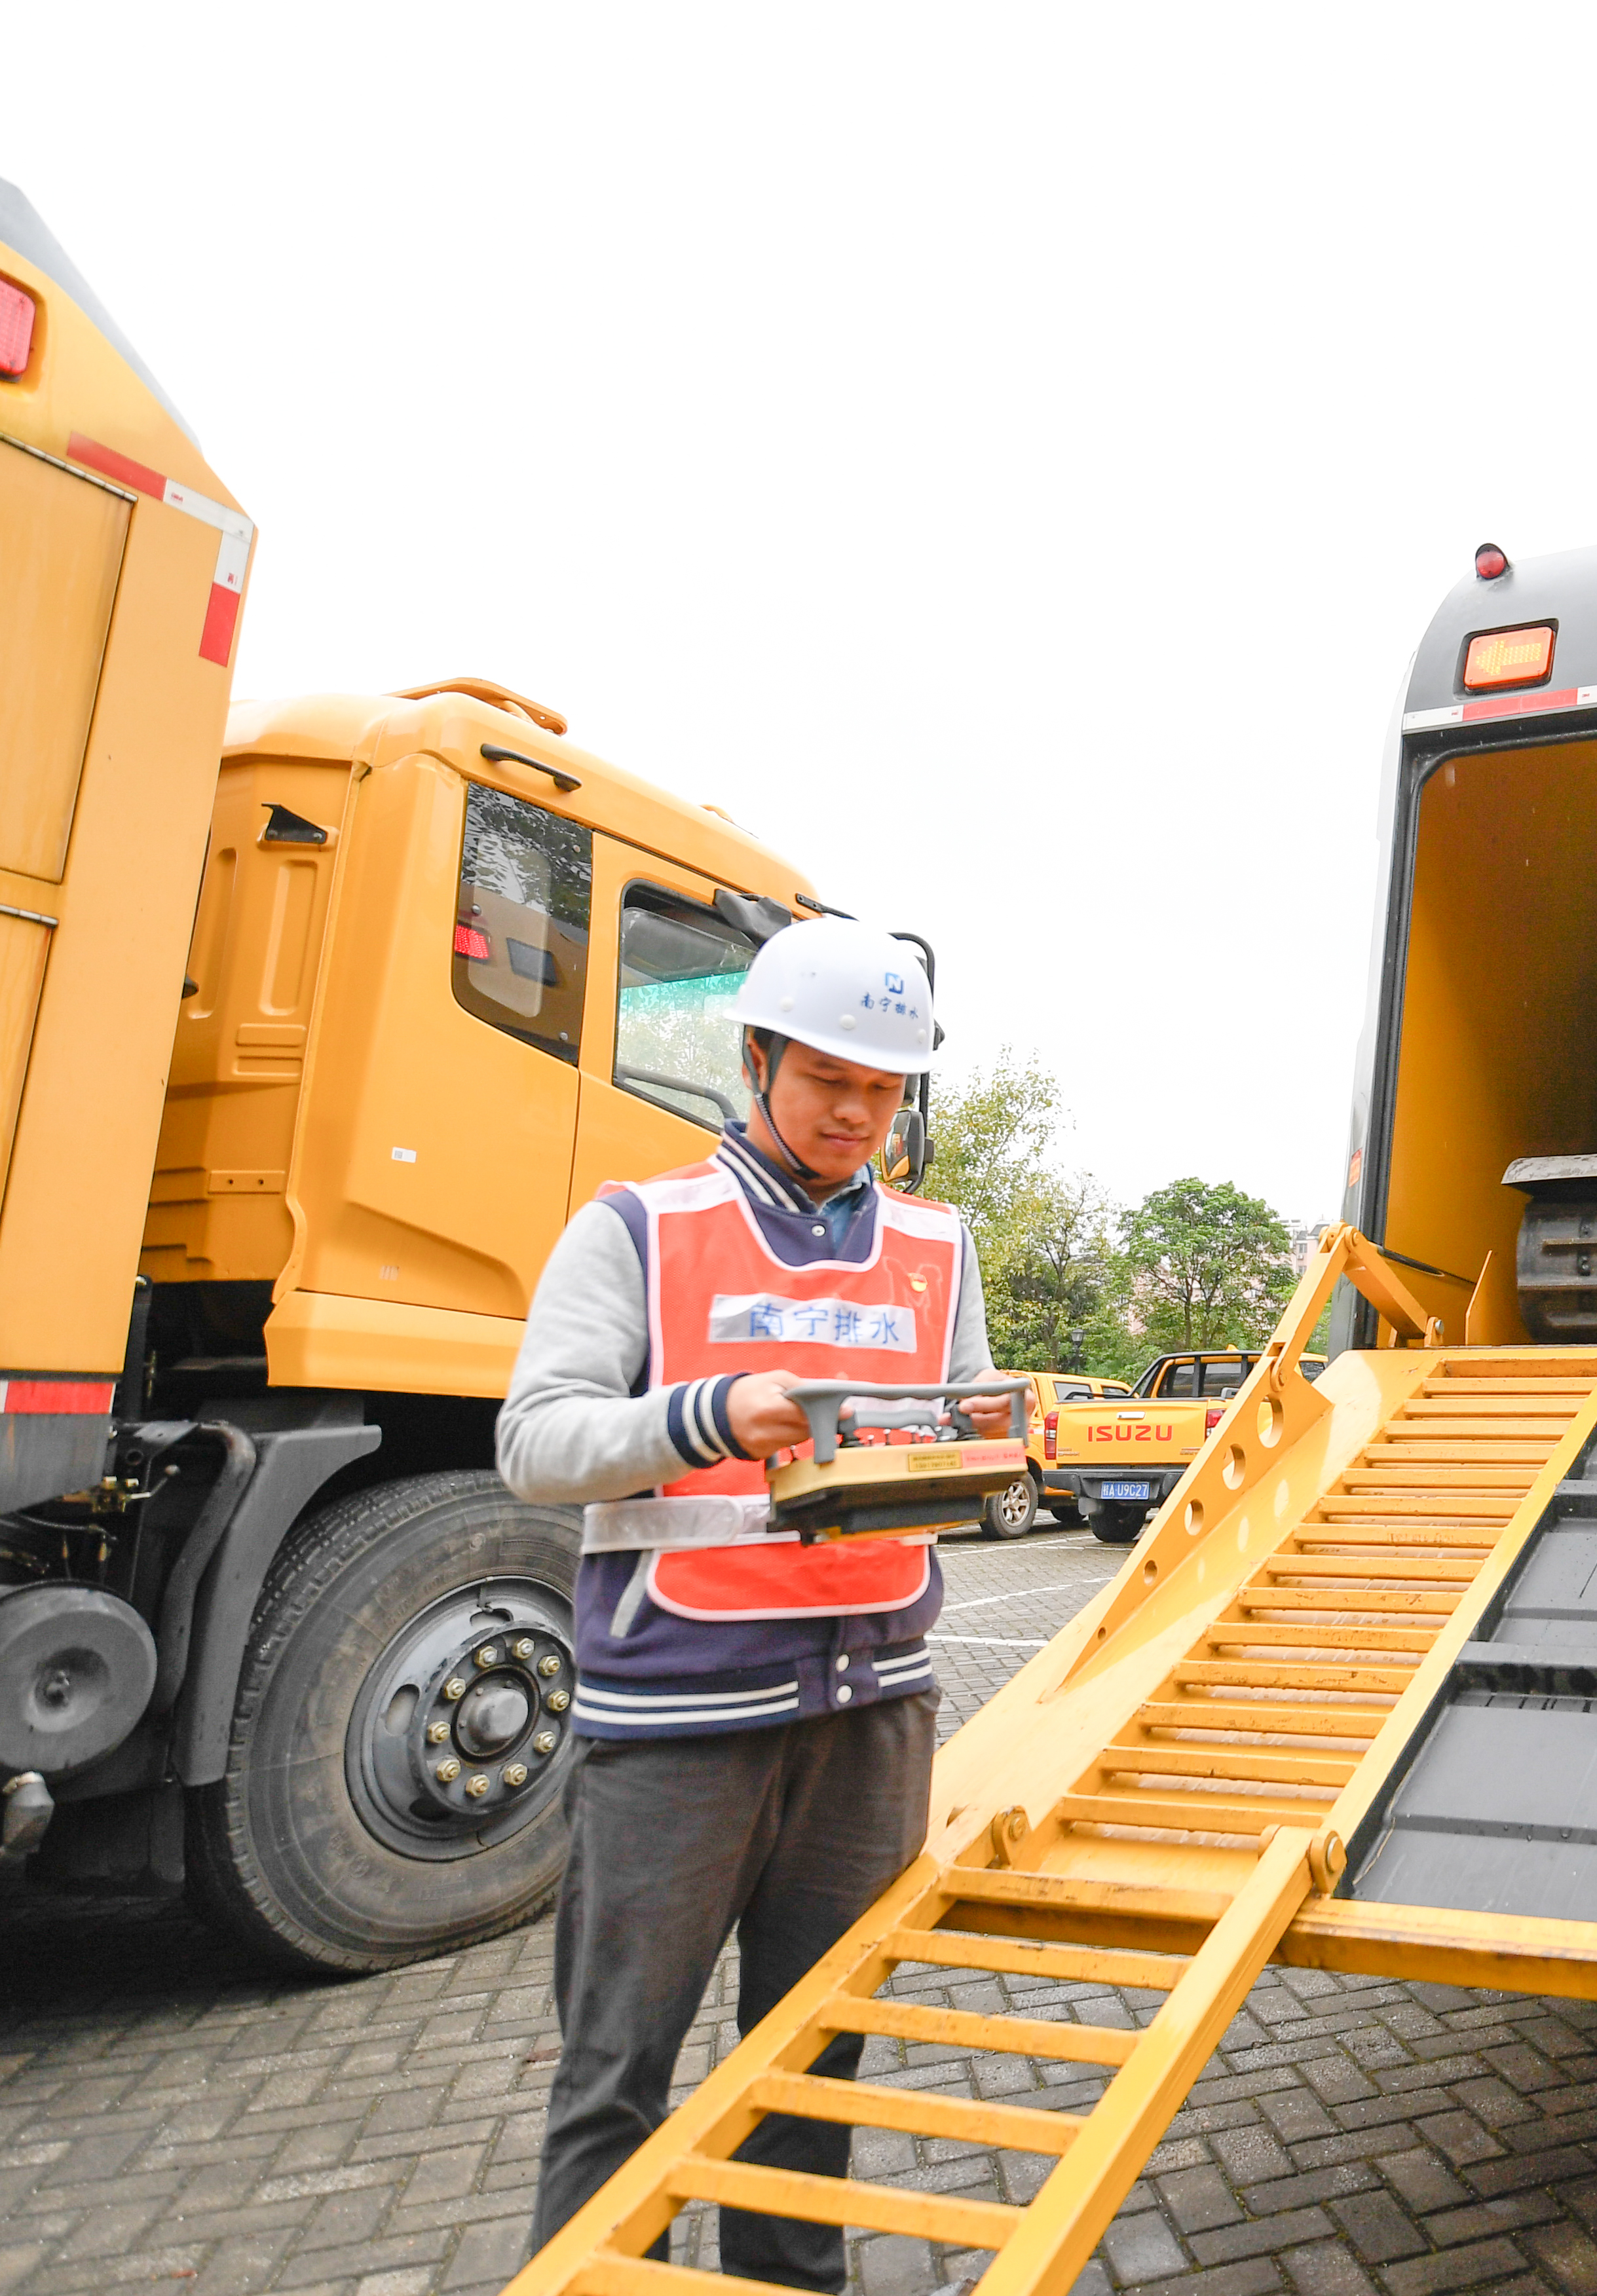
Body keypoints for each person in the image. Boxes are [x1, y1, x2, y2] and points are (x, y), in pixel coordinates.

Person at [501, 917, 1011, 2290]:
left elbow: (950, 1425)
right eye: (829, 1077)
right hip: (674, 1725)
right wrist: (711, 1410)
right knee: (618, 2074)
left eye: (884, 1089)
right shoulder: (640, 1226)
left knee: (814, 2065)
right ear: (758, 1058)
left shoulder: (937, 1246)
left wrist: (981, 1446)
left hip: (872, 1719)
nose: (856, 1113)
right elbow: (536, 1444)